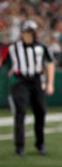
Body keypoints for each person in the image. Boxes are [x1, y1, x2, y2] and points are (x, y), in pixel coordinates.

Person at [6, 21, 54, 156]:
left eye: (30, 33)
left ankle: (40, 144)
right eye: (25, 33)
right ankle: (19, 146)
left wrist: (50, 83)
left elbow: (50, 64)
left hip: (36, 80)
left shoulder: (41, 47)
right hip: (20, 80)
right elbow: (4, 62)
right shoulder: (13, 48)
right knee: (20, 111)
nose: (27, 35)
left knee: (40, 112)